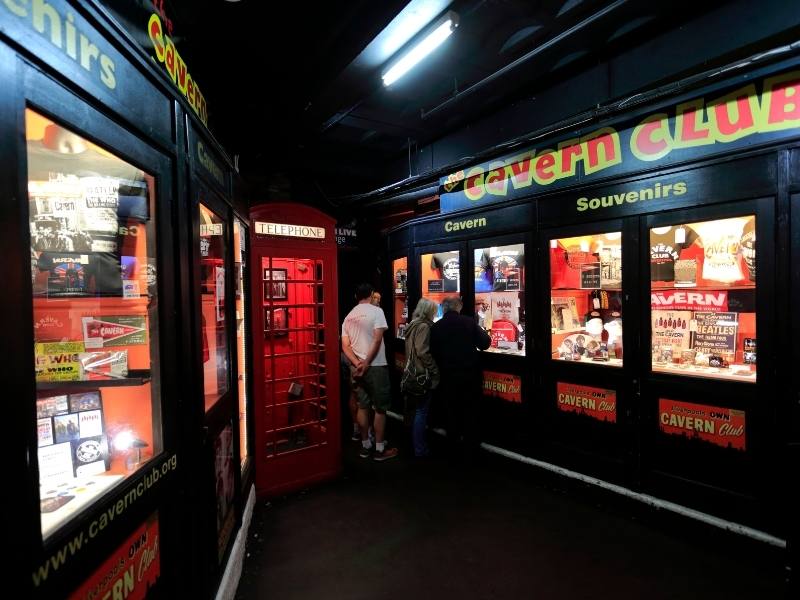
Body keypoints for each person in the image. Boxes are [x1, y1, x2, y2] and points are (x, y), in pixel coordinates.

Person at [431, 295, 491, 463]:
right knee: (471, 411)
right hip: (470, 376)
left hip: (447, 376)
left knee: (451, 410)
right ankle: (471, 449)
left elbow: (433, 351)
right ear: (459, 307)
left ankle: (452, 447)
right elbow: (485, 343)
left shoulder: (437, 327)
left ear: (445, 308)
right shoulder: (469, 322)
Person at [341, 283, 398, 461]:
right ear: (371, 294)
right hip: (376, 366)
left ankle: (365, 446)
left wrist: (357, 362)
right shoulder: (376, 312)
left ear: (355, 296)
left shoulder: (348, 317)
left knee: (363, 406)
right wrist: (366, 363)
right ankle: (380, 449)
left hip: (355, 367)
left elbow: (345, 345)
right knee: (380, 408)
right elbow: (377, 338)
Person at [402, 298, 440, 458]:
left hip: (410, 374)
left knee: (412, 411)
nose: (435, 313)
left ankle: (412, 445)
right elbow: (422, 351)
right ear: (428, 311)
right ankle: (420, 449)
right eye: (434, 310)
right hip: (421, 375)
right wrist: (434, 369)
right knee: (421, 412)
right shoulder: (424, 326)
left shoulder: (413, 324)